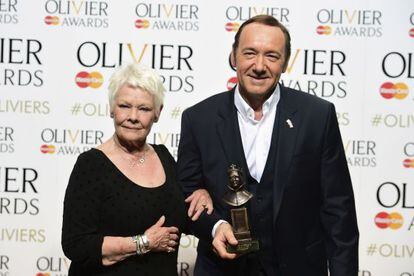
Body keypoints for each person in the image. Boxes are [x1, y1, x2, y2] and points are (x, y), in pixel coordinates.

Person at [177, 15, 359, 276]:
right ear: (233, 57)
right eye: (250, 53)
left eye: (272, 56)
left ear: (285, 63)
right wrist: (214, 226)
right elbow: (185, 193)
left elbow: (338, 210)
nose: (259, 66)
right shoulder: (198, 118)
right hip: (222, 269)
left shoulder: (317, 116)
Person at [61, 63, 212, 275]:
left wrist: (201, 192)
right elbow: (75, 244)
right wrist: (143, 243)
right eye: (124, 106)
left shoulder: (164, 157)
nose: (133, 116)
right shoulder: (91, 165)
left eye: (144, 108)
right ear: (111, 108)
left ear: (157, 113)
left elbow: (183, 217)